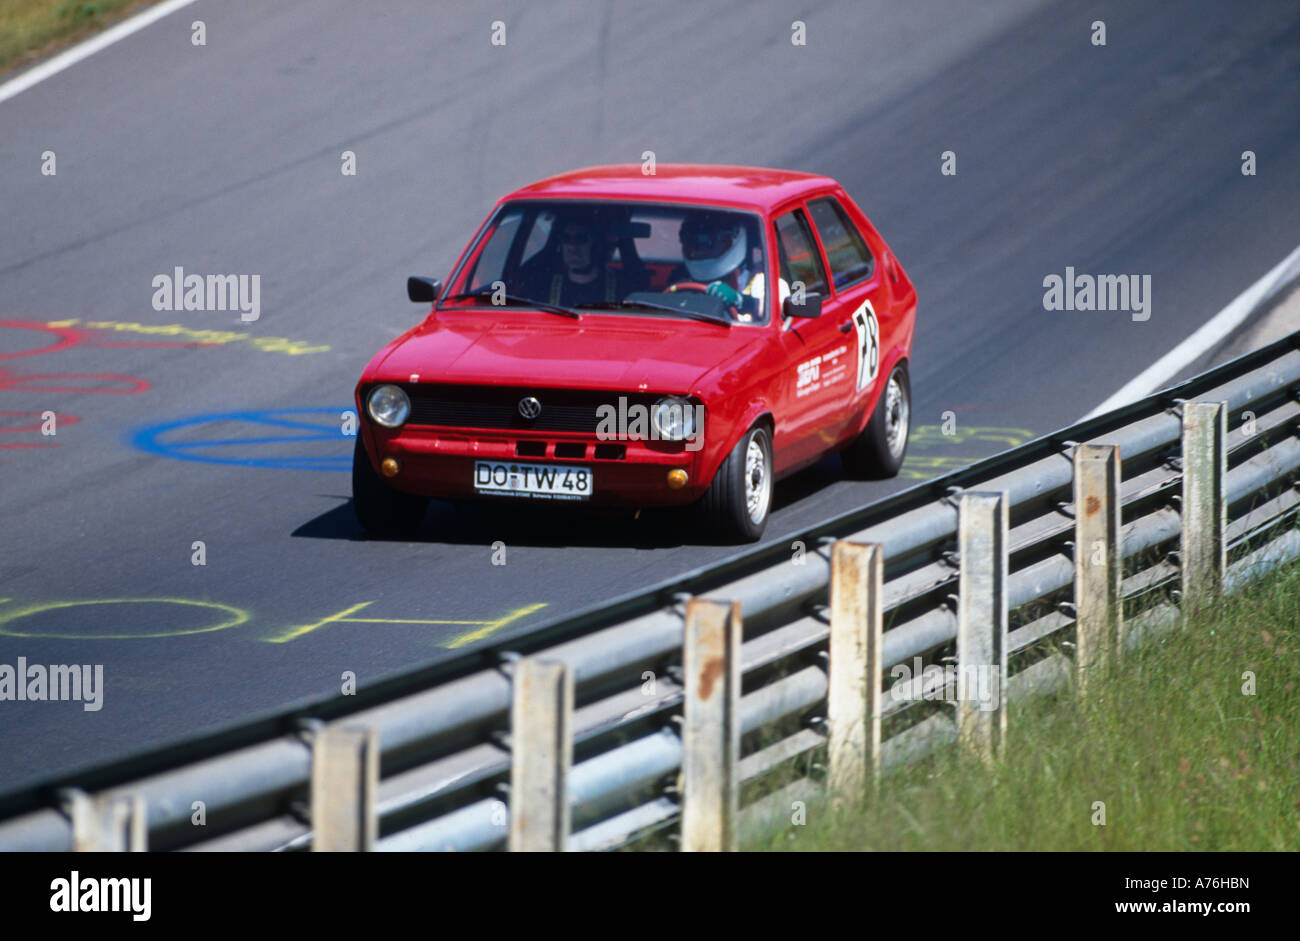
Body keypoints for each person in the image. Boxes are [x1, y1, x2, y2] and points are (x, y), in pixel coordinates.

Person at [669, 212, 769, 322]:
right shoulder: (681, 286)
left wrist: (742, 301)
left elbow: (779, 309)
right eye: (693, 241)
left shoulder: (761, 282)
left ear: (730, 239)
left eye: (709, 241)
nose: (701, 249)